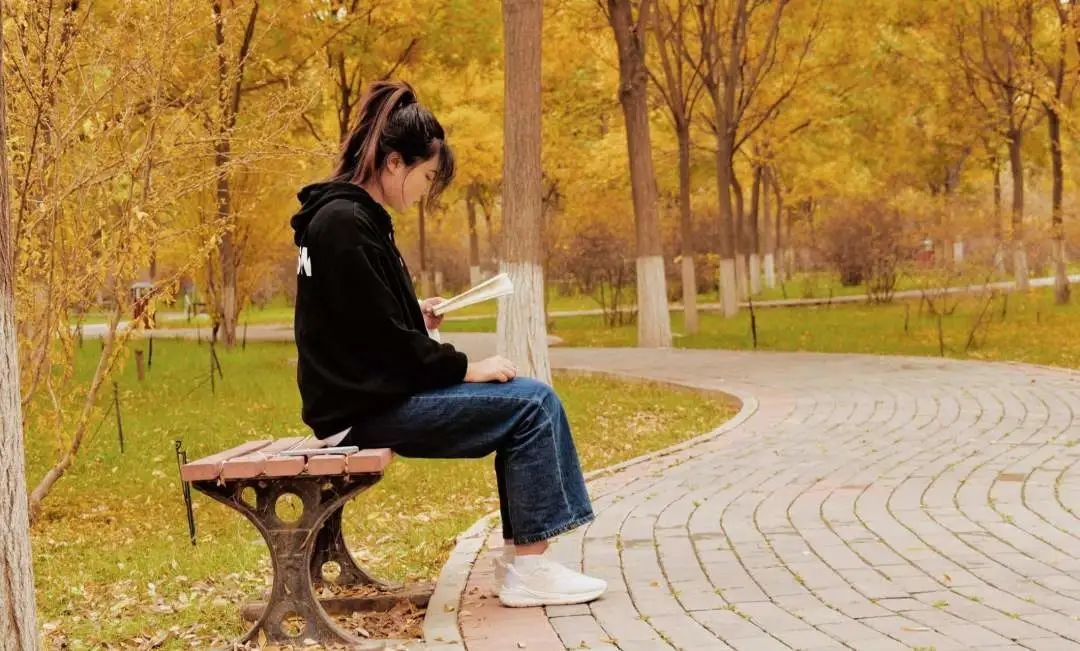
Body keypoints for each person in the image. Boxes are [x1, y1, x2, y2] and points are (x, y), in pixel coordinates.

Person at [289, 80, 606, 608]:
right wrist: (464, 368)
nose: (425, 191)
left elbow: (361, 322)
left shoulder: (346, 218)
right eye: (427, 177)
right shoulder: (344, 223)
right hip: (360, 410)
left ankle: (525, 562)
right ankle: (530, 569)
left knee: (527, 401)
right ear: (395, 162)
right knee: (532, 405)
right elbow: (384, 343)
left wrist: (415, 315)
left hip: (361, 399)